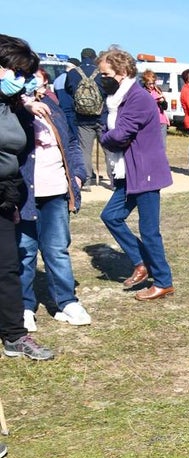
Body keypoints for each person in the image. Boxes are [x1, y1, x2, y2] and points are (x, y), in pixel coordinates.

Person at [97, 47, 175, 301]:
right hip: (129, 173)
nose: (101, 78)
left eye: (105, 73)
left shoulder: (138, 98)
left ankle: (163, 281)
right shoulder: (118, 98)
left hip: (145, 172)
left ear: (121, 72)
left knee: (149, 230)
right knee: (111, 216)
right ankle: (142, 261)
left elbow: (119, 135)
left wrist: (103, 137)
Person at [18, 68, 90, 328]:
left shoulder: (53, 106)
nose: (33, 82)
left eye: (37, 77)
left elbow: (71, 141)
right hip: (25, 194)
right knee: (24, 251)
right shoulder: (14, 109)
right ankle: (25, 306)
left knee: (57, 249)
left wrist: (79, 175)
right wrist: (24, 105)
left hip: (57, 191)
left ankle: (66, 301)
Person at [0, 34, 55, 360]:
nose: (19, 80)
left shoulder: (13, 104)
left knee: (7, 267)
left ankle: (14, 335)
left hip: (4, 196)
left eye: (24, 74)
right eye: (15, 72)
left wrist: (23, 103)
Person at [63, 47, 103, 190]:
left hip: (82, 117)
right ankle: (114, 181)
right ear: (94, 57)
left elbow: (68, 89)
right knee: (110, 149)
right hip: (101, 116)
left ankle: (85, 182)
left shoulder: (73, 72)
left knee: (85, 150)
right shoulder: (100, 71)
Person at [139, 69, 169, 151]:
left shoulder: (158, 90)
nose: (151, 86)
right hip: (149, 121)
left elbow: (165, 107)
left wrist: (162, 101)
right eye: (149, 84)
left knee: (162, 145)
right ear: (145, 82)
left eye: (153, 83)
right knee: (149, 145)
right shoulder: (142, 92)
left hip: (161, 120)